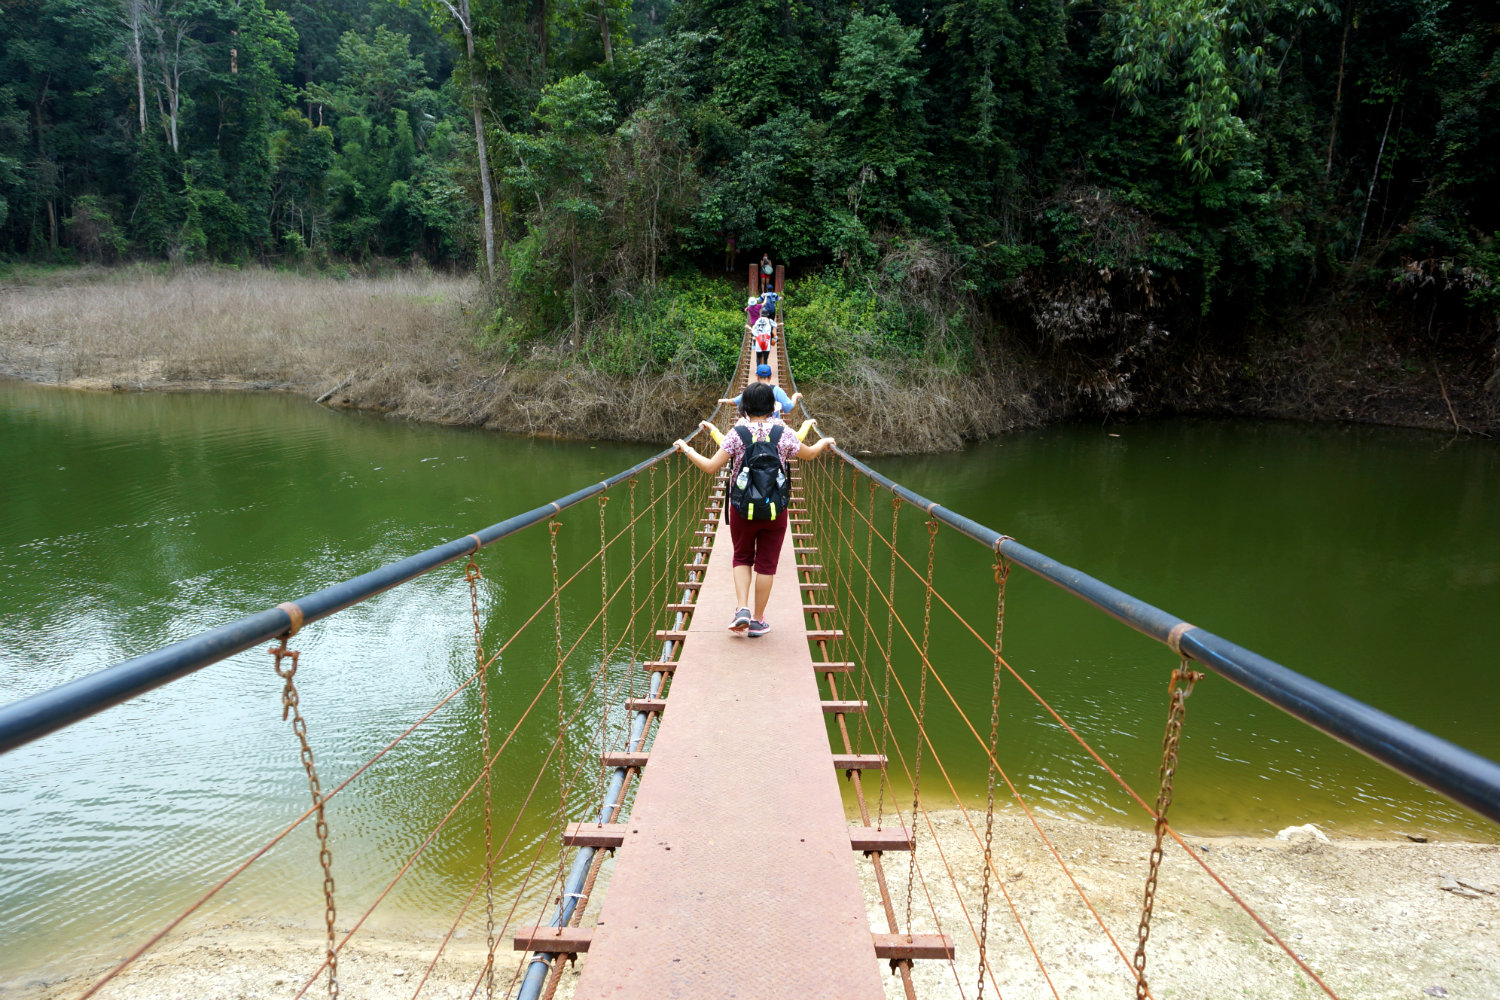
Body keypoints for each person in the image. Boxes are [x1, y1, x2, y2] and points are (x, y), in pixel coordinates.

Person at [674, 382, 837, 636]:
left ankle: (742, 610)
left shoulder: (737, 433)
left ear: (744, 408)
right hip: (775, 509)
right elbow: (808, 454)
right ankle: (759, 620)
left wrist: (687, 449)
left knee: (742, 557)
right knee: (766, 565)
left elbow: (709, 467)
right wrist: (824, 442)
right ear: (773, 407)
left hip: (742, 508)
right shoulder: (783, 431)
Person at [721, 363, 801, 419]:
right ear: (770, 376)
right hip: (773, 430)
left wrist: (724, 400)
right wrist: (794, 397)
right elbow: (789, 406)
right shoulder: (777, 391)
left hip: (754, 428)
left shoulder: (750, 390)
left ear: (757, 376)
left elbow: (735, 402)